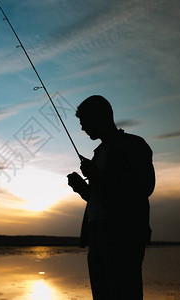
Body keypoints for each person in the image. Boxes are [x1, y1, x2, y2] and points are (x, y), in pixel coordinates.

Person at [67, 95, 155, 300]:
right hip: (96, 233)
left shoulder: (134, 145)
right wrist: (82, 188)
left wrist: (96, 174)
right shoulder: (99, 152)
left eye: (84, 123)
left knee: (125, 291)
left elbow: (143, 187)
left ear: (99, 118)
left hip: (123, 233)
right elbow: (102, 195)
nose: (82, 129)